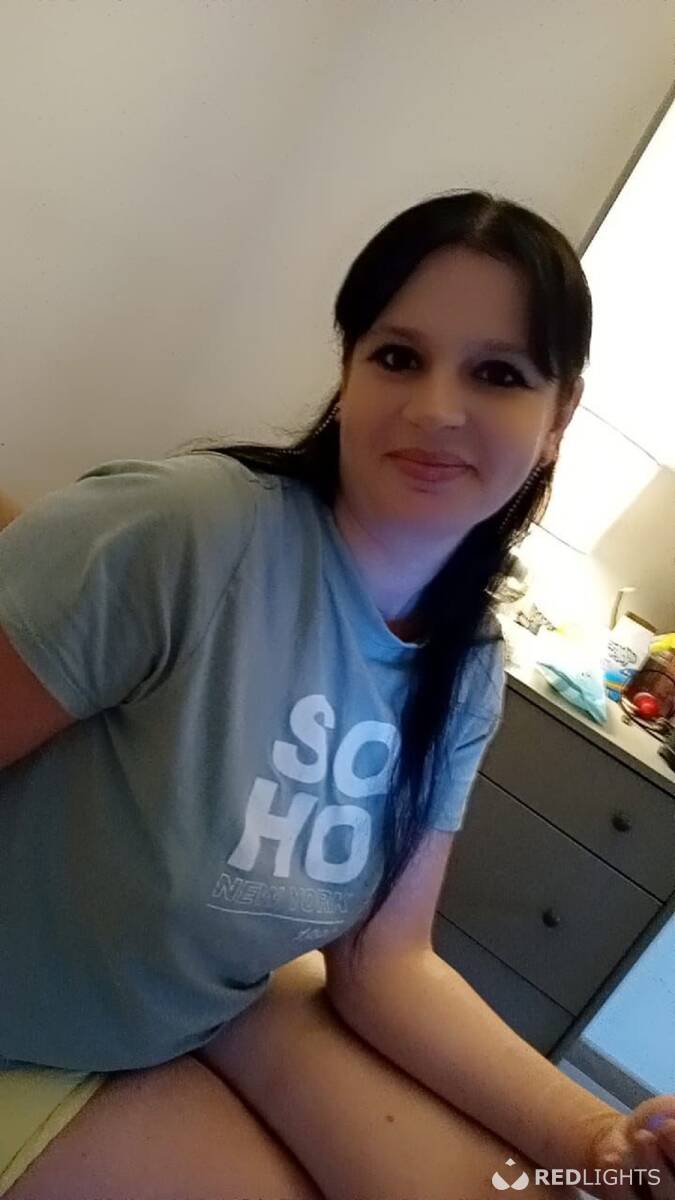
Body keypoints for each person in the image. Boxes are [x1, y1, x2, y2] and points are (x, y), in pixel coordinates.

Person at [0, 189, 673, 1200]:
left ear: (558, 416)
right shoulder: (185, 536)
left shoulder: (464, 667)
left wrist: (600, 1138)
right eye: (398, 357)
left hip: (186, 1019)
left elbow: (387, 963)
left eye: (497, 374)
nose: (435, 408)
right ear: (349, 370)